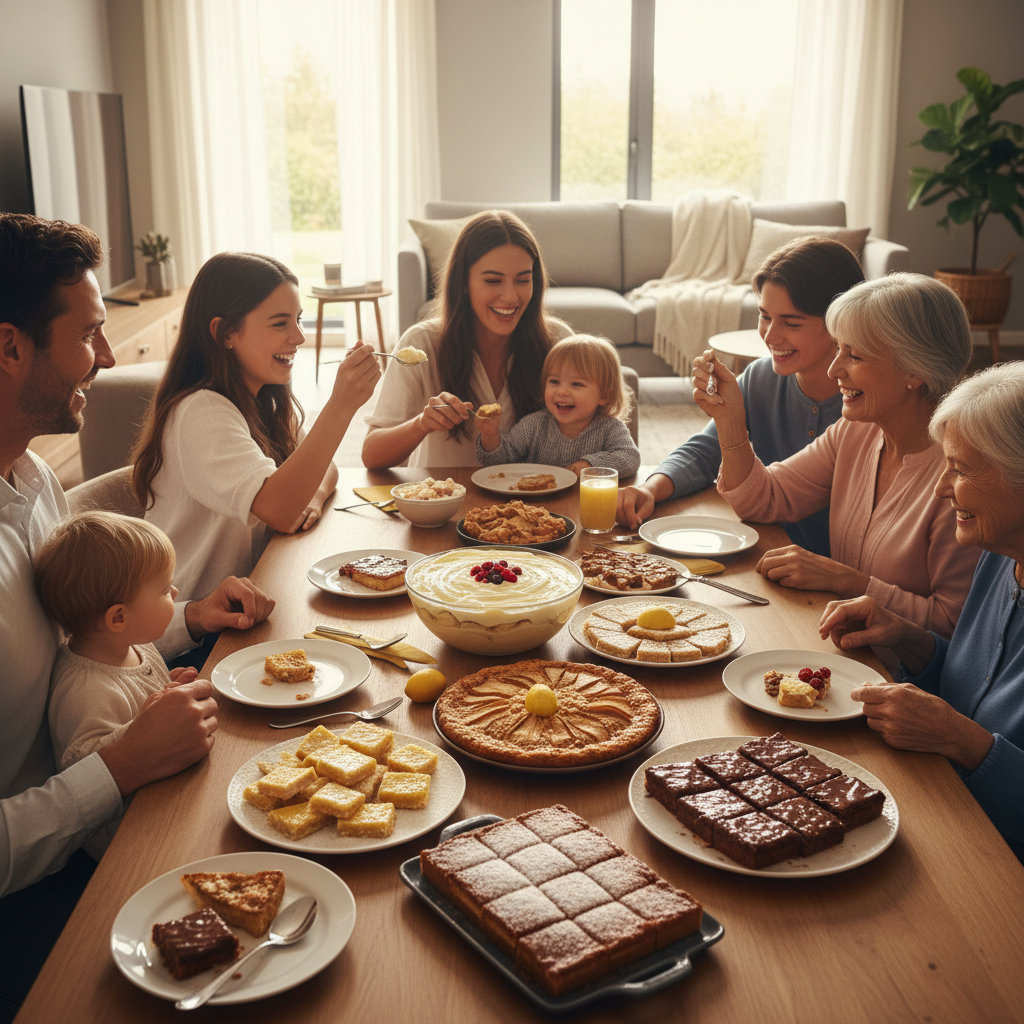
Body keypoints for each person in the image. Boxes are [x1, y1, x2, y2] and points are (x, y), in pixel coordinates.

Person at [0, 213, 269, 1020]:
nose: (111, 358)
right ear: (9, 348)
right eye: (89, 335)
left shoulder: (32, 482)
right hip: (40, 894)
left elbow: (82, 628)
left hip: (107, 806)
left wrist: (184, 618)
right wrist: (118, 767)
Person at [692, 273, 980, 651]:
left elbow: (954, 629)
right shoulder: (856, 431)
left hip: (900, 685)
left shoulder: (964, 475)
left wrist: (849, 581)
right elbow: (763, 498)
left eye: (854, 355)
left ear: (915, 370)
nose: (834, 370)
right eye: (839, 349)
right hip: (838, 654)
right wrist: (730, 419)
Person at [818, 363, 1024, 861]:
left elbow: (971, 727)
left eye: (961, 469)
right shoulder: (999, 556)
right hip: (939, 805)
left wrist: (965, 742)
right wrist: (912, 640)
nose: (940, 488)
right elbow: (977, 688)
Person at [131, 252, 381, 620]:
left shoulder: (262, 397)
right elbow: (278, 510)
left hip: (254, 599)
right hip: (194, 624)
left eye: (298, 320)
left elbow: (323, 467)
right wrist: (341, 404)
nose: (298, 337)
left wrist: (310, 496)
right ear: (225, 333)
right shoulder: (202, 413)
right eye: (280, 323)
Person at [616, 237, 865, 556]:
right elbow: (706, 451)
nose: (770, 336)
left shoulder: (865, 407)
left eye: (790, 322)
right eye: (764, 316)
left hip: (838, 574)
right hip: (766, 550)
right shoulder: (761, 378)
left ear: (840, 321)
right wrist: (650, 488)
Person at [35, 511, 192, 858]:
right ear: (118, 617)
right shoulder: (85, 690)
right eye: (165, 590)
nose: (176, 591)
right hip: (131, 844)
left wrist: (168, 693)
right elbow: (90, 768)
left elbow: (146, 709)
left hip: (166, 797)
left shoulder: (134, 644)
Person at [362, 210, 571, 468]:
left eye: (523, 280)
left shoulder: (558, 343)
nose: (510, 297)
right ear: (463, 282)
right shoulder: (421, 343)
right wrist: (422, 423)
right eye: (493, 281)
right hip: (445, 506)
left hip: (536, 506)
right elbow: (372, 456)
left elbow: (601, 432)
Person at [476, 334, 640, 477]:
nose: (562, 391)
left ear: (604, 395)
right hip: (536, 506)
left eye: (576, 384)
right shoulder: (534, 425)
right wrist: (490, 436)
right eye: (554, 381)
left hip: (585, 505)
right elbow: (498, 462)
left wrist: (591, 464)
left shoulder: (609, 427)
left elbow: (630, 458)